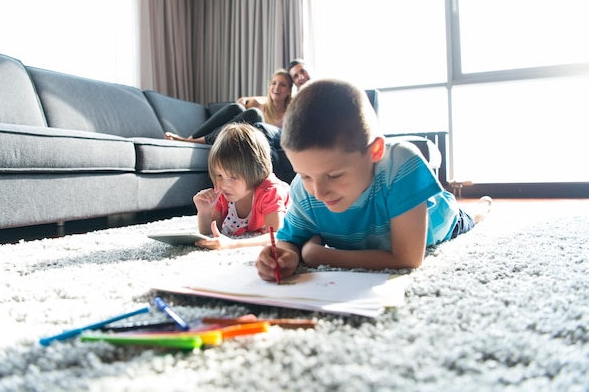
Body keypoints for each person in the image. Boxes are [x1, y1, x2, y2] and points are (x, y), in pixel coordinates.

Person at [255, 79, 492, 280]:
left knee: (470, 220)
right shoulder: (303, 190)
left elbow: (407, 258)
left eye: (334, 175)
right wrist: (284, 255)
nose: (318, 192)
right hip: (371, 237)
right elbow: (290, 240)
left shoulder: (401, 163)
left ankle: (480, 210)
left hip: (438, 221)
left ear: (375, 152)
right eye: (305, 175)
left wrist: (316, 255)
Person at [193, 122, 291, 250]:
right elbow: (210, 233)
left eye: (233, 177)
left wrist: (234, 244)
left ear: (256, 171)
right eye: (219, 175)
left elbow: (277, 236)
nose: (223, 184)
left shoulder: (270, 191)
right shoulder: (224, 193)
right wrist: (204, 212)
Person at [165, 69, 293, 144]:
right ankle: (190, 139)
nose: (276, 87)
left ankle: (198, 141)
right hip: (240, 137)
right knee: (236, 108)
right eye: (273, 83)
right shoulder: (262, 104)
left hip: (261, 141)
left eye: (282, 85)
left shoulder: (291, 111)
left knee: (254, 114)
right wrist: (246, 101)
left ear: (289, 91)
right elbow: (241, 101)